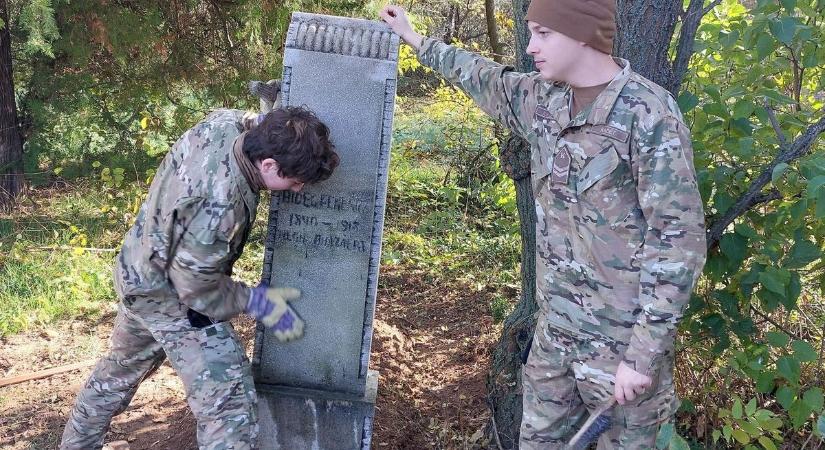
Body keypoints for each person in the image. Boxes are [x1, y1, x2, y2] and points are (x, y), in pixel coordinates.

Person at [381, 1, 707, 448]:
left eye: (543, 34)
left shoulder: (647, 113)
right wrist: (416, 39)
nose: (531, 47)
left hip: (619, 355)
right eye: (531, 33)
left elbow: (678, 240)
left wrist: (643, 355)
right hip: (554, 342)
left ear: (582, 34)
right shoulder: (543, 99)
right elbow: (482, 76)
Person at [59, 90, 340, 449]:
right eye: (295, 180)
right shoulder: (221, 208)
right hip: (169, 294)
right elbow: (197, 289)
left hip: (137, 270)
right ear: (268, 165)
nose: (298, 188)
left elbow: (249, 120)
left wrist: (275, 112)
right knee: (229, 404)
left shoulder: (223, 125)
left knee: (118, 373)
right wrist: (255, 300)